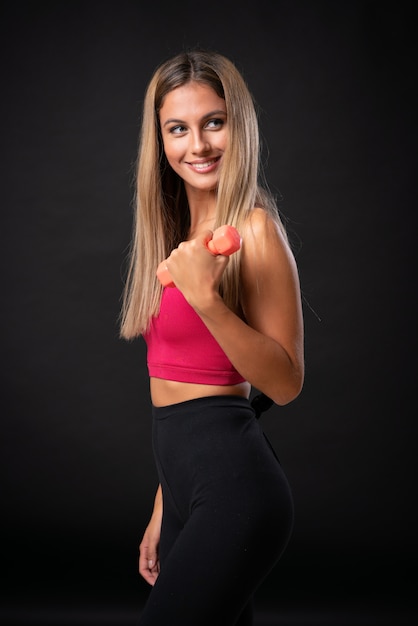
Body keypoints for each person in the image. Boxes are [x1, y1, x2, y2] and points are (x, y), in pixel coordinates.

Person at [119, 49, 304, 626]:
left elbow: (285, 382)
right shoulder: (174, 233)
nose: (197, 145)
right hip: (185, 485)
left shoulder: (254, 230)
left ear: (238, 125)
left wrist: (205, 299)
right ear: (161, 141)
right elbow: (183, 393)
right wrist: (165, 500)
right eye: (178, 128)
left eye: (214, 122)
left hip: (236, 492)